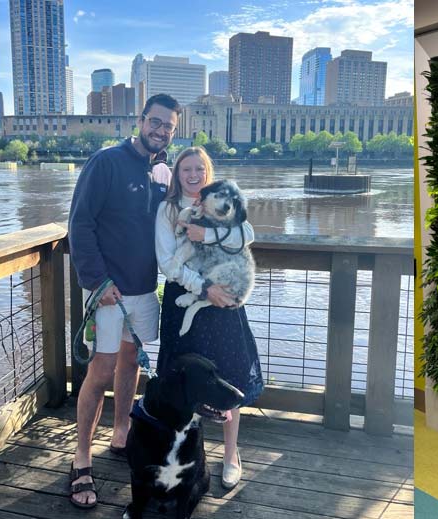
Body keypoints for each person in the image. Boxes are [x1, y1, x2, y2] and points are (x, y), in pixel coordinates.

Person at [67, 93, 181, 508]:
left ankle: (120, 435)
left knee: (132, 363)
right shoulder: (106, 162)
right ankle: (81, 459)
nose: (160, 130)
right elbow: (79, 224)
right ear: (140, 120)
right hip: (107, 293)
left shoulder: (162, 172)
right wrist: (97, 282)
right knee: (101, 370)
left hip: (144, 290)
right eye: (155, 122)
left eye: (168, 126)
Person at [155, 146, 264, 489]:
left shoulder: (224, 199)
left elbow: (247, 234)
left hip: (225, 299)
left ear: (207, 173)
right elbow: (167, 261)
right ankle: (186, 455)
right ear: (177, 173)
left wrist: (209, 234)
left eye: (198, 169)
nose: (192, 175)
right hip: (186, 298)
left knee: (230, 372)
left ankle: (231, 454)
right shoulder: (168, 209)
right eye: (185, 169)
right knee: (182, 379)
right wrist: (204, 289)